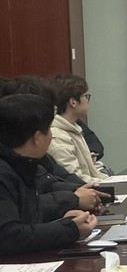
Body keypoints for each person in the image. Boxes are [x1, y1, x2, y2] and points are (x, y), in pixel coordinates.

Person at [0, 94, 97, 256]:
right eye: (49, 130)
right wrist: (70, 230)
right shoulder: (5, 172)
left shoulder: (21, 165)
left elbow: (24, 215)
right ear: (37, 138)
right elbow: (9, 237)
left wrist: (61, 220)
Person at [0, 75, 108, 216]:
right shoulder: (9, 166)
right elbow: (20, 218)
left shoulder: (30, 159)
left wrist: (79, 191)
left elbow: (53, 179)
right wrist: (73, 200)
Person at [48, 74, 109, 183]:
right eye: (86, 96)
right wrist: (108, 184)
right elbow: (76, 179)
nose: (88, 100)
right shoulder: (57, 136)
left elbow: (92, 173)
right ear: (73, 102)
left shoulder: (74, 128)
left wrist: (111, 181)